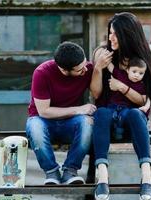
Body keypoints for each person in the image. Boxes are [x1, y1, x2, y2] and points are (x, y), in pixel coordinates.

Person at [90, 12, 151, 200]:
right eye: (109, 32)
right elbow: (95, 94)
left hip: (132, 119)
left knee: (136, 114)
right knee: (101, 113)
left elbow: (146, 100)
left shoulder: (143, 60)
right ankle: (102, 178)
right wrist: (97, 68)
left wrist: (122, 87)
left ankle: (147, 178)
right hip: (107, 118)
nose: (110, 37)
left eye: (115, 34)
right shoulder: (104, 53)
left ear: (127, 35)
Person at [26, 41, 97, 185]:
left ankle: (70, 172)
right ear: (64, 70)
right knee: (34, 126)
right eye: (79, 70)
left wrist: (99, 68)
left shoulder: (87, 68)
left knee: (87, 122)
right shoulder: (42, 73)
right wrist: (79, 109)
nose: (85, 70)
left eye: (84, 64)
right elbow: (44, 111)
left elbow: (97, 91)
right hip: (44, 121)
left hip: (70, 123)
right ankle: (52, 173)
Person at [104, 57, 151, 140]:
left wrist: (146, 107)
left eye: (141, 73)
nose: (137, 75)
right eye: (134, 71)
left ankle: (119, 132)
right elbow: (110, 67)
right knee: (107, 115)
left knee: (124, 115)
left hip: (127, 107)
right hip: (113, 105)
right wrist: (105, 54)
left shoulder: (141, 86)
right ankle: (110, 131)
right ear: (127, 70)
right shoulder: (121, 75)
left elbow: (145, 100)